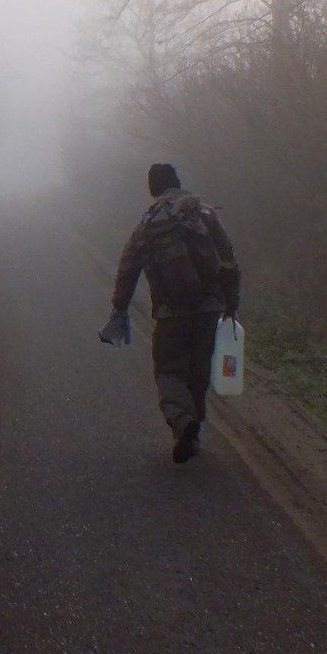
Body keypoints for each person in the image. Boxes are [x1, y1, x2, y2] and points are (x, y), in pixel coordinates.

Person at [102, 162, 240, 463]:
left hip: (171, 312)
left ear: (153, 188)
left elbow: (128, 268)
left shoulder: (149, 224)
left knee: (168, 370)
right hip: (208, 308)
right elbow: (228, 258)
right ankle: (194, 426)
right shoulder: (203, 213)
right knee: (198, 370)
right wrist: (231, 301)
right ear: (178, 182)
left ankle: (181, 421)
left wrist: (119, 307)